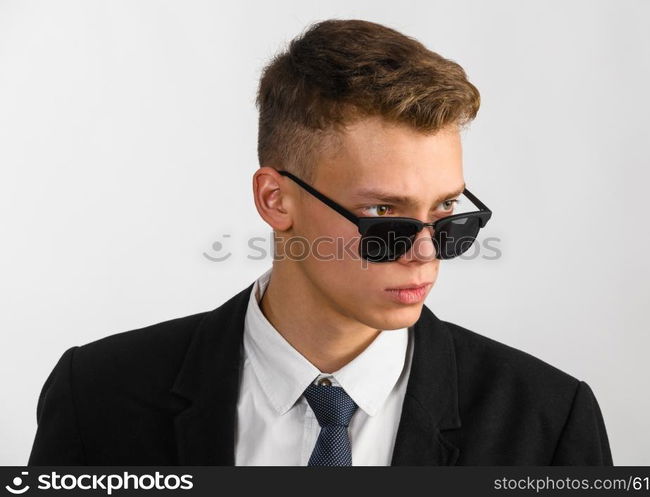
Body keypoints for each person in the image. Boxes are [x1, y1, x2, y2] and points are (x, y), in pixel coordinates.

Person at [28, 19, 612, 466]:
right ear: (275, 200)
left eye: (447, 213)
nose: (427, 255)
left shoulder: (547, 419)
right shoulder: (99, 394)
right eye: (385, 215)